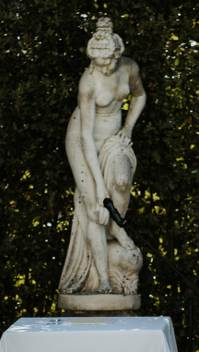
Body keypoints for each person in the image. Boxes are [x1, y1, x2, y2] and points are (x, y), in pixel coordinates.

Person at [58, 18, 147, 294]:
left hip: (114, 139)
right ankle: (103, 278)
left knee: (121, 182)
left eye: (107, 62)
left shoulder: (129, 68)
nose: (103, 67)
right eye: (97, 63)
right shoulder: (88, 81)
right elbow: (85, 136)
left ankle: (116, 228)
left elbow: (139, 96)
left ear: (117, 54)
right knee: (95, 208)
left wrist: (128, 128)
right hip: (83, 141)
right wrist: (97, 188)